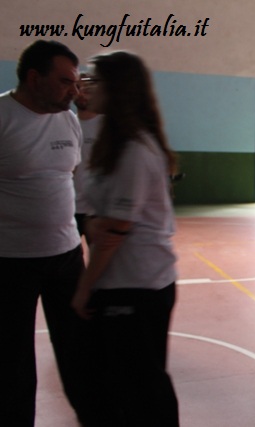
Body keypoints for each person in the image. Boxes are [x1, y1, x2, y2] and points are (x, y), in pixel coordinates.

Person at [0, 39, 108, 426]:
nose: (75, 91)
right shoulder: (2, 116)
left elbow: (70, 177)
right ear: (34, 78)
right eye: (65, 81)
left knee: (81, 350)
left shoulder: (68, 119)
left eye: (77, 82)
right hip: (10, 261)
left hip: (65, 256)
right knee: (12, 363)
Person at [71, 50, 180, 425]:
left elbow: (117, 230)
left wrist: (85, 287)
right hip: (125, 281)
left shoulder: (134, 149)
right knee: (123, 381)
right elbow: (104, 218)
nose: (86, 86)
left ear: (116, 89)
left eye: (94, 79)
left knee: (143, 387)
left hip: (138, 285)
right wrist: (98, 223)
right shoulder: (112, 141)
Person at [74, 72, 102, 242]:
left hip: (98, 210)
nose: (82, 93)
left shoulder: (108, 126)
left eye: (88, 89)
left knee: (101, 264)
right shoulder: (66, 122)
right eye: (78, 88)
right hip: (70, 209)